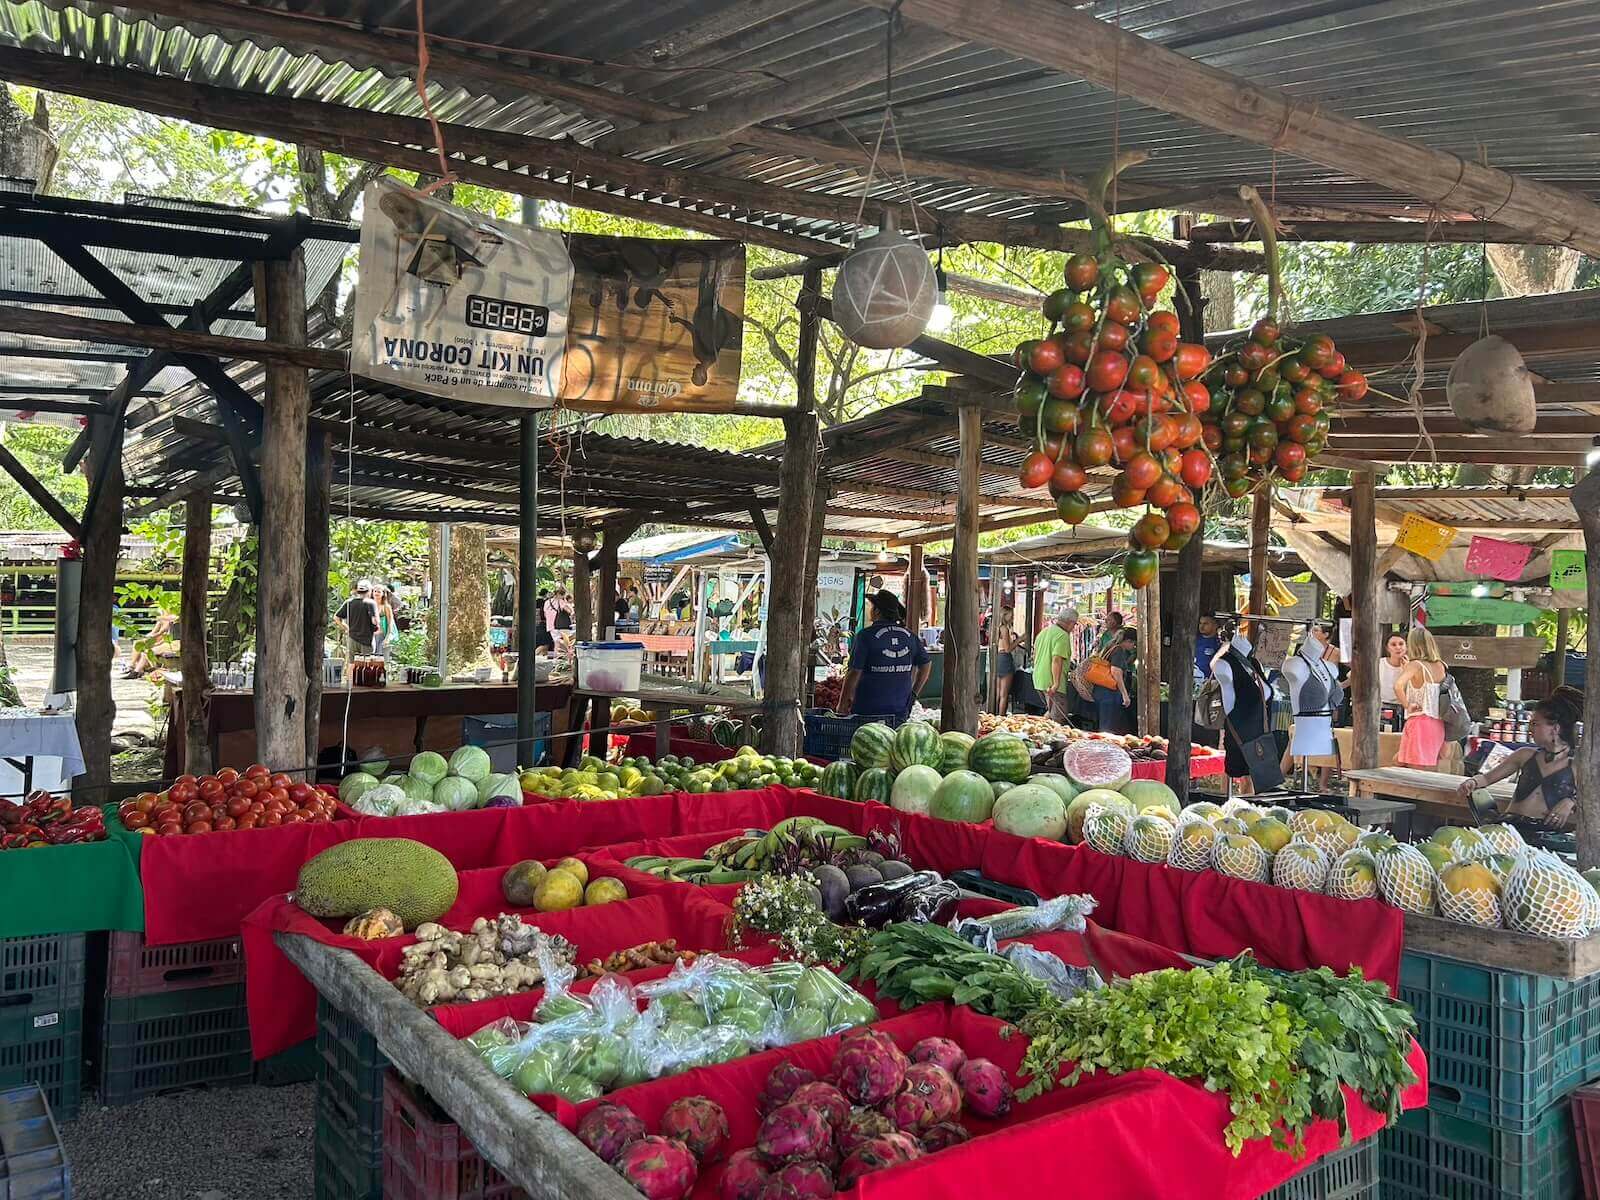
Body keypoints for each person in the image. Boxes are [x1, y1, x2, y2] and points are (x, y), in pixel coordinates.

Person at [1457, 687, 1583, 829]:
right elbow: (1486, 778)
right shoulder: (1525, 754)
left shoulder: (1577, 764)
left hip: (1544, 834)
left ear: (1555, 729)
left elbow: (1592, 800)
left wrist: (1571, 802)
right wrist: (1473, 782)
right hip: (1509, 827)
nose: (1530, 729)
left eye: (1535, 724)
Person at [837, 590, 931, 720]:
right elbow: (926, 665)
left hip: (867, 713)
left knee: (867, 740)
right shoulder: (910, 637)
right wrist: (913, 694)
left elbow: (854, 673)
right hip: (899, 713)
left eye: (872, 607)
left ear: (877, 611)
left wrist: (842, 704)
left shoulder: (865, 636)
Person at [1394, 626, 1448, 768]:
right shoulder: (1440, 665)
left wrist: (1407, 705)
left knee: (1414, 768)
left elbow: (1398, 686)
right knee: (1402, 761)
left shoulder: (1415, 665)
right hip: (1437, 722)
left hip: (1419, 721)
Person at [1032, 607, 1079, 724]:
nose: (1074, 628)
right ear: (1071, 623)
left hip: (1039, 679)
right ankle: (1052, 741)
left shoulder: (1044, 632)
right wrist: (1056, 684)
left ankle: (1041, 732)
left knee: (1051, 712)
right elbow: (1056, 660)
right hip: (1052, 682)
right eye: (1074, 625)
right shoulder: (1062, 635)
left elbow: (1035, 655)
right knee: (1059, 718)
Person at [1092, 626, 1137, 733]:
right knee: (1109, 729)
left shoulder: (1110, 645)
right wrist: (1125, 694)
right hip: (1110, 692)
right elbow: (1116, 672)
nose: (1133, 646)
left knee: (1104, 726)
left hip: (1101, 691)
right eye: (1133, 644)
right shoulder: (1119, 650)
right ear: (1128, 641)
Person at [335, 580, 377, 656]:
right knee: (366, 664)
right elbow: (374, 621)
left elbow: (336, 617)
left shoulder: (349, 602)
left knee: (352, 664)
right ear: (369, 591)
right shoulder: (371, 603)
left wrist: (346, 628)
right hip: (367, 639)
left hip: (352, 638)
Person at [1378, 632, 1409, 730]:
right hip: (1381, 707)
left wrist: (1406, 670)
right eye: (1393, 644)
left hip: (1403, 708)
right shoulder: (1379, 663)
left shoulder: (1412, 666)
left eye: (1401, 644)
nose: (1398, 647)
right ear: (1387, 648)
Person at [993, 608, 1019, 715]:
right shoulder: (1004, 629)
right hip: (1005, 658)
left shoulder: (997, 628)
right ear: (1005, 615)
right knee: (1004, 694)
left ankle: (994, 715)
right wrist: (1019, 640)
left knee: (998, 693)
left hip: (998, 657)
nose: (1012, 617)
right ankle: (1001, 717)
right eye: (1011, 615)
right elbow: (1008, 648)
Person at [371, 585, 398, 659]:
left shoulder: (386, 607)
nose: (376, 593)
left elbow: (390, 622)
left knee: (380, 658)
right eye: (375, 591)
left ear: (383, 594)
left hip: (382, 635)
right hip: (371, 636)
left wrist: (388, 637)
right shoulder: (369, 605)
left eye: (379, 592)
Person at [1194, 615, 1222, 680]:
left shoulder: (1219, 643)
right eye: (1200, 623)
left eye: (1205, 624)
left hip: (1210, 682)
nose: (1202, 626)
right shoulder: (1194, 640)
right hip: (1194, 679)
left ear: (1215, 625)